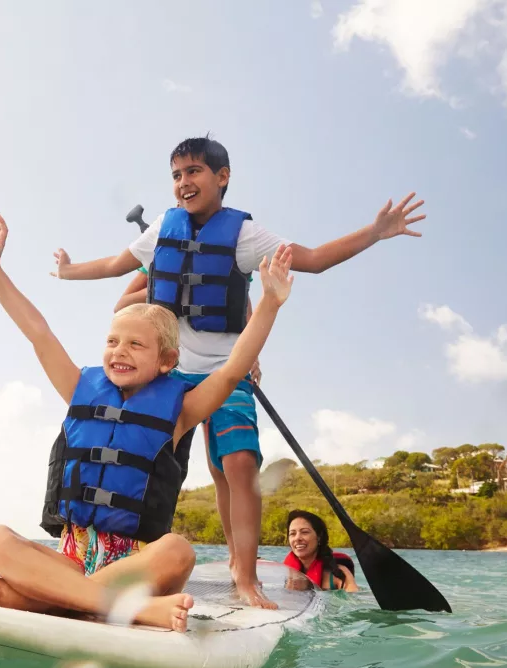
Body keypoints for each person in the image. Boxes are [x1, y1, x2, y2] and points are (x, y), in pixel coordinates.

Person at [50, 135, 426, 609]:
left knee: (239, 465)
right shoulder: (162, 229)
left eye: (194, 172)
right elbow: (112, 264)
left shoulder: (245, 235)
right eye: (177, 175)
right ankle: (114, 565)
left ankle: (244, 576)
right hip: (166, 376)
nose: (184, 183)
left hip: (225, 372)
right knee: (159, 464)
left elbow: (313, 261)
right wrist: (67, 271)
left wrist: (375, 232)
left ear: (222, 177)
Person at [0, 213, 296, 632]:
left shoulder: (180, 409)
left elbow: (232, 370)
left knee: (179, 551)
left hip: (140, 567)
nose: (119, 351)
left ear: (166, 362)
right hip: (72, 560)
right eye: (112, 342)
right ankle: (120, 608)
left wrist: (269, 303)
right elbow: (38, 331)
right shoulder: (79, 387)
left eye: (135, 344)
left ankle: (46, 599)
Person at [283, 510, 359, 592]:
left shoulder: (339, 573)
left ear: (319, 537)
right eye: (292, 534)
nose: (297, 538)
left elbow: (355, 602)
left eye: (304, 532)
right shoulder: (285, 573)